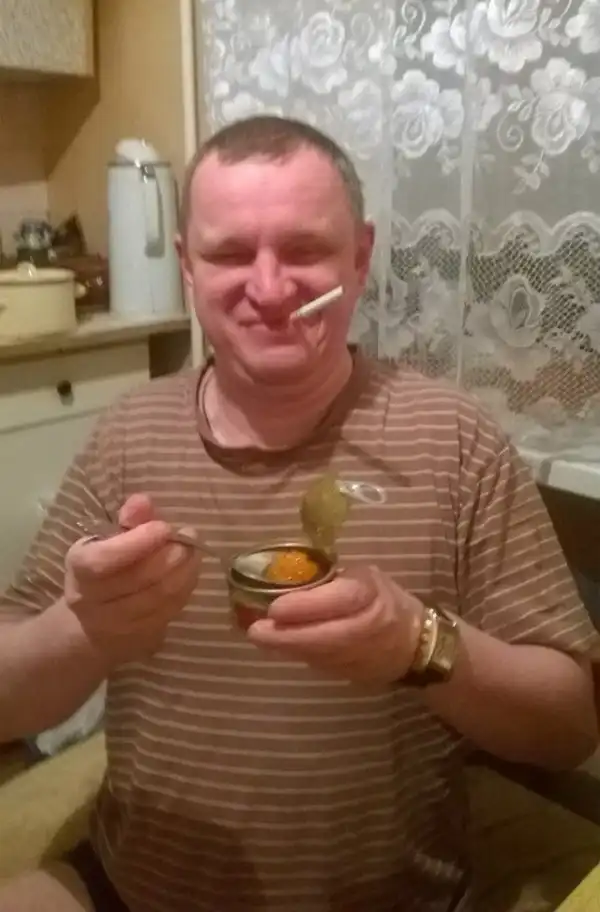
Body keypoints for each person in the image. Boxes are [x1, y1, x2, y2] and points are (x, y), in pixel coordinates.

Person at [0, 114, 598, 912]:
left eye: (305, 248)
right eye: (229, 254)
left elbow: (569, 726)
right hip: (129, 886)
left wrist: (419, 644)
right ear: (186, 266)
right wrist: (84, 630)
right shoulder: (126, 434)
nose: (272, 288)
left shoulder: (454, 437)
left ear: (360, 256)